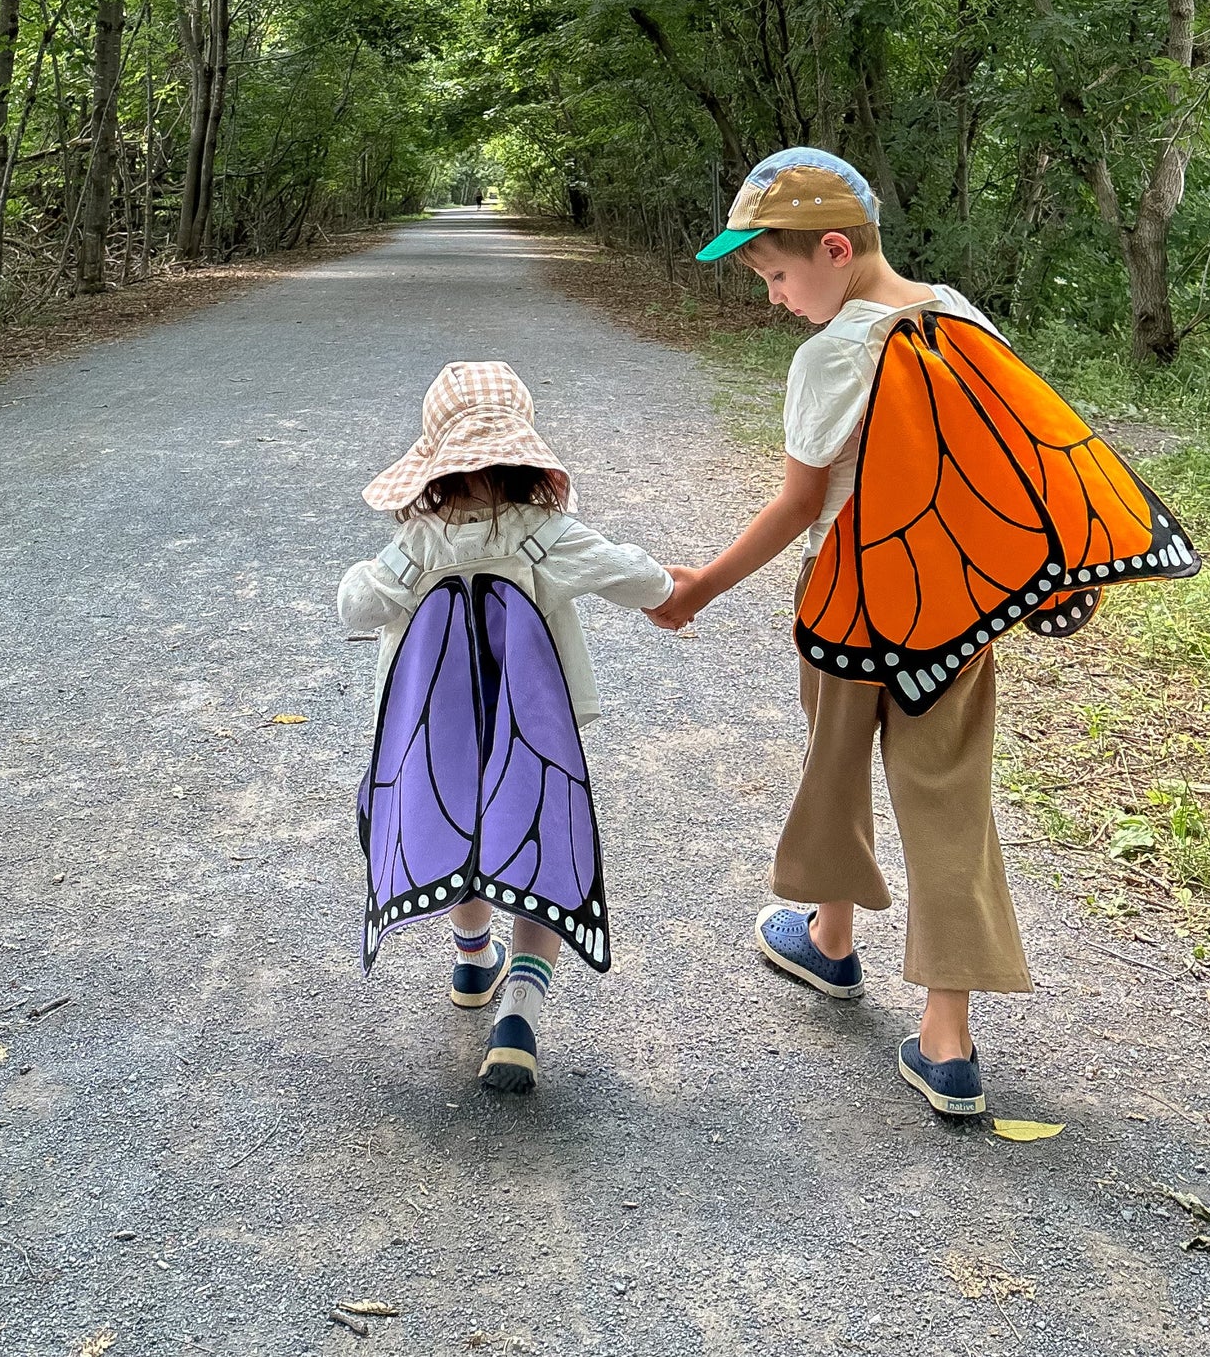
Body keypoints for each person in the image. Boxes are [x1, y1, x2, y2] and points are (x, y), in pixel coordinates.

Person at [650, 148, 1031, 1118]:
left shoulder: (829, 355)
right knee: (947, 797)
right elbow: (1014, 467)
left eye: (778, 276)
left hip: (848, 595)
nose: (775, 298)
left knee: (833, 757)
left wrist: (700, 586)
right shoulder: (960, 320)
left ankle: (828, 942)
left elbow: (795, 507)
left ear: (832, 249)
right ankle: (946, 1042)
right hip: (954, 600)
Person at [340, 360, 672, 1094]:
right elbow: (636, 578)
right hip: (534, 734)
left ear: (434, 463)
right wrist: (671, 587)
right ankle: (519, 1010)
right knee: (536, 848)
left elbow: (356, 606)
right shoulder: (544, 532)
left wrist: (374, 579)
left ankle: (470, 957)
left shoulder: (418, 540)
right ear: (525, 456)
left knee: (460, 833)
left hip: (441, 738)